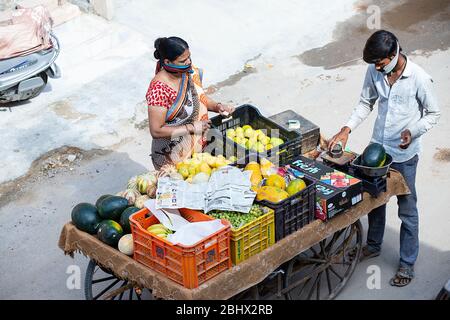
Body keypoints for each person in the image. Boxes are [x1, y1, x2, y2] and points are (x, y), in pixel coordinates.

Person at [328, 30, 440, 287]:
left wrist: (413, 132)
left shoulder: (419, 78)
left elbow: (433, 114)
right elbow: (366, 103)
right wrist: (346, 129)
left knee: (407, 209)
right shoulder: (375, 72)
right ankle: (374, 245)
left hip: (404, 155)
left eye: (379, 62)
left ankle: (407, 263)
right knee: (375, 199)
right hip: (376, 149)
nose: (377, 67)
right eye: (374, 64)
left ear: (393, 55)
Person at [146, 36, 235, 169]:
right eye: (183, 60)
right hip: (172, 157)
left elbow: (199, 97)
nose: (188, 62)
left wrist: (218, 106)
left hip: (198, 150)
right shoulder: (159, 89)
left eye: (189, 57)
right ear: (167, 61)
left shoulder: (187, 72)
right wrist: (191, 128)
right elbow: (156, 130)